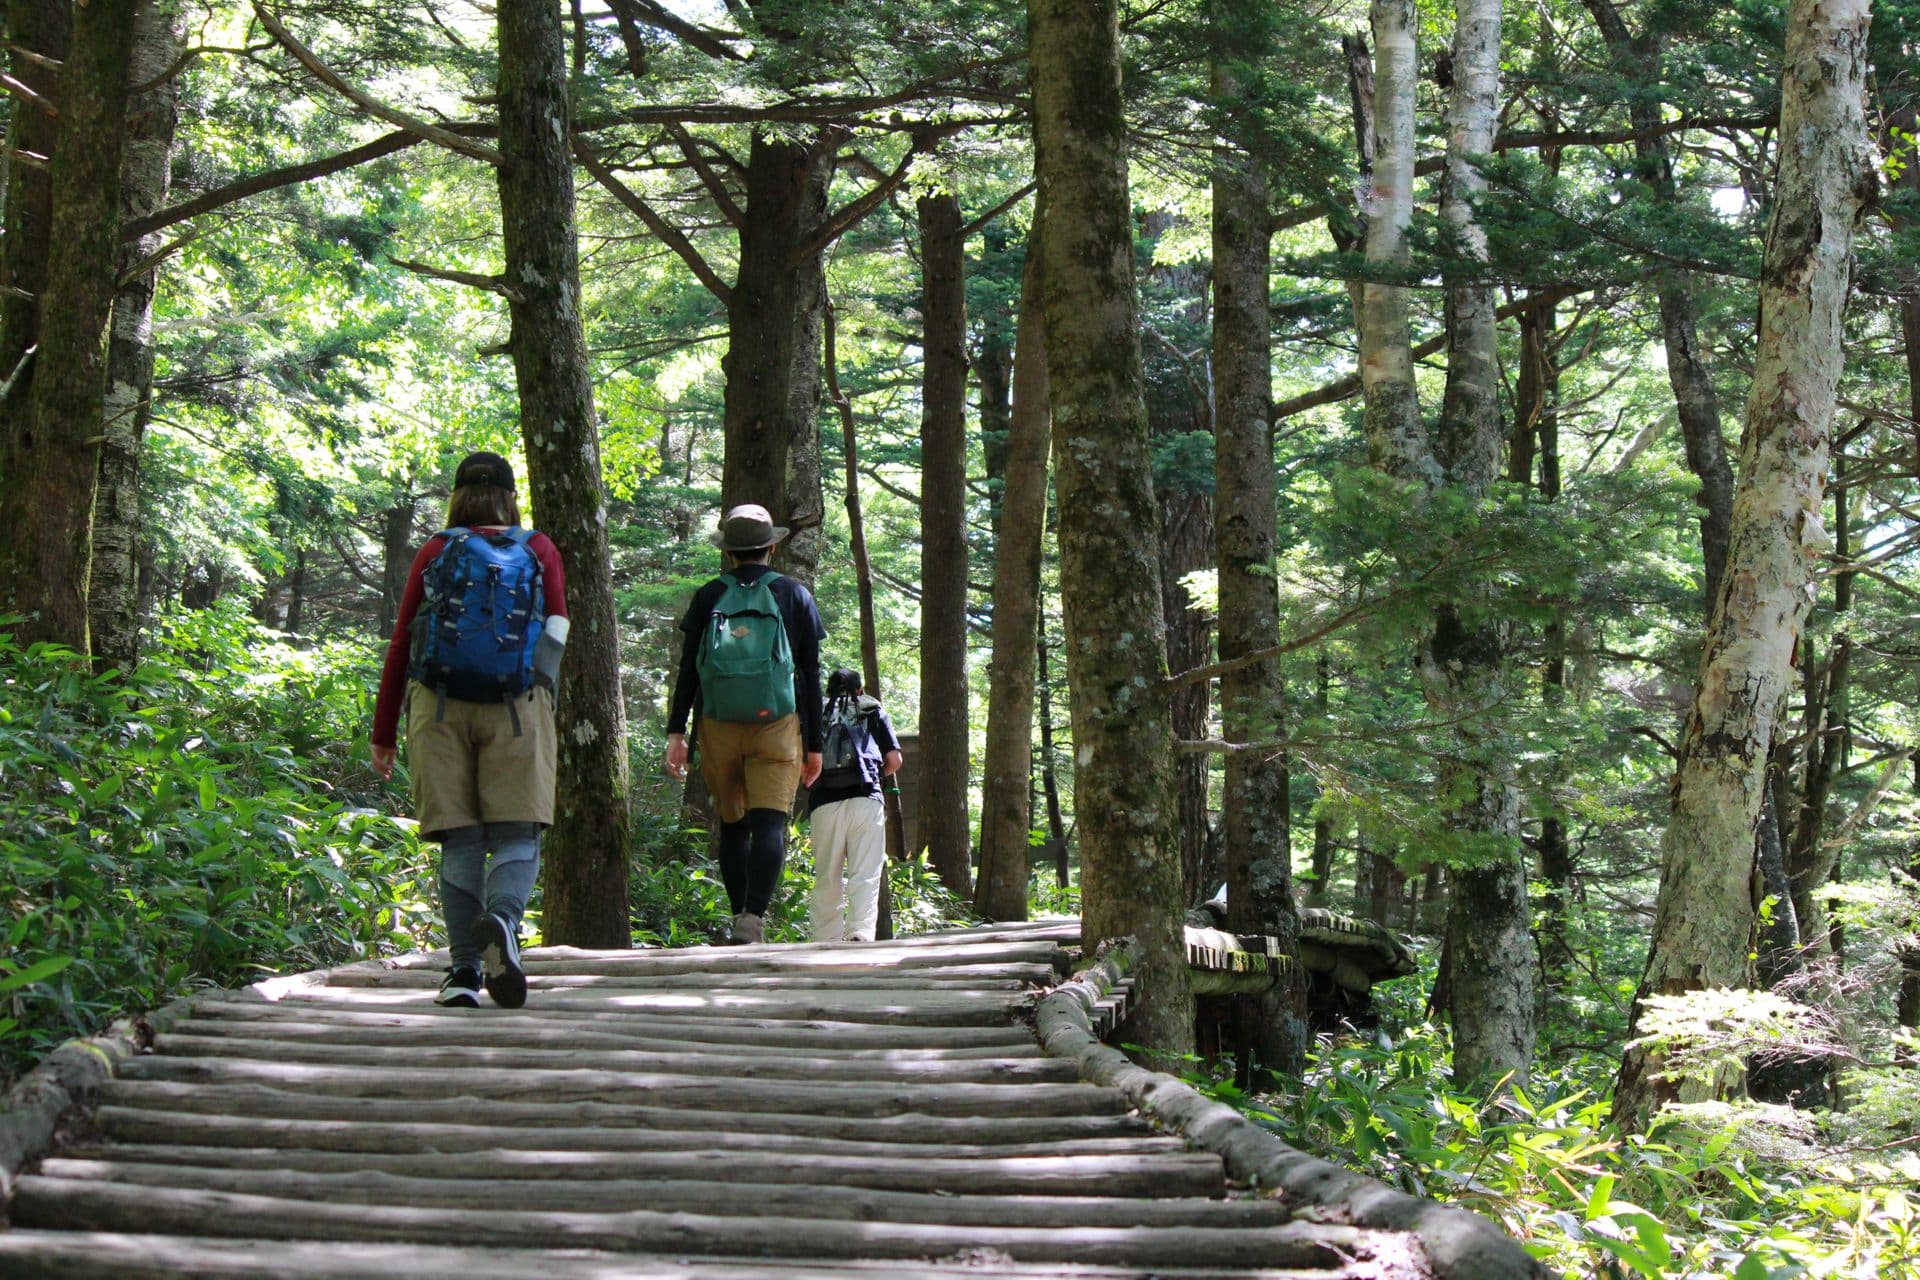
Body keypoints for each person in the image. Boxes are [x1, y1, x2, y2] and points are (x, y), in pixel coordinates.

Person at [370, 450, 567, 1009]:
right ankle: (502, 923)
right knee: (517, 832)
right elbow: (557, 625)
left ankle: (461, 973)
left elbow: (404, 640)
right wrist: (539, 690)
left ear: (457, 495)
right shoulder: (538, 549)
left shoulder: (437, 549)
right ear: (510, 496)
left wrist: (384, 729)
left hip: (438, 707)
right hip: (518, 705)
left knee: (459, 839)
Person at [664, 503, 826, 944]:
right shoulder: (793, 595)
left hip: (718, 725)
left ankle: (739, 916)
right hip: (777, 723)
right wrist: (816, 744)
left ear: (729, 552)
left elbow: (689, 672)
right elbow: (811, 675)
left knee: (733, 825)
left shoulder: (709, 595)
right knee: (770, 823)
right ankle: (753, 918)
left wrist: (677, 733)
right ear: (771, 547)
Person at [806, 668, 903, 943]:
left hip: (824, 802)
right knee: (865, 873)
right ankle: (859, 933)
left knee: (827, 874)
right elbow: (894, 760)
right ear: (860, 689)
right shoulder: (871, 708)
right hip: (866, 798)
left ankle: (825, 939)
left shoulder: (816, 714)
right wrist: (873, 776)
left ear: (828, 690)